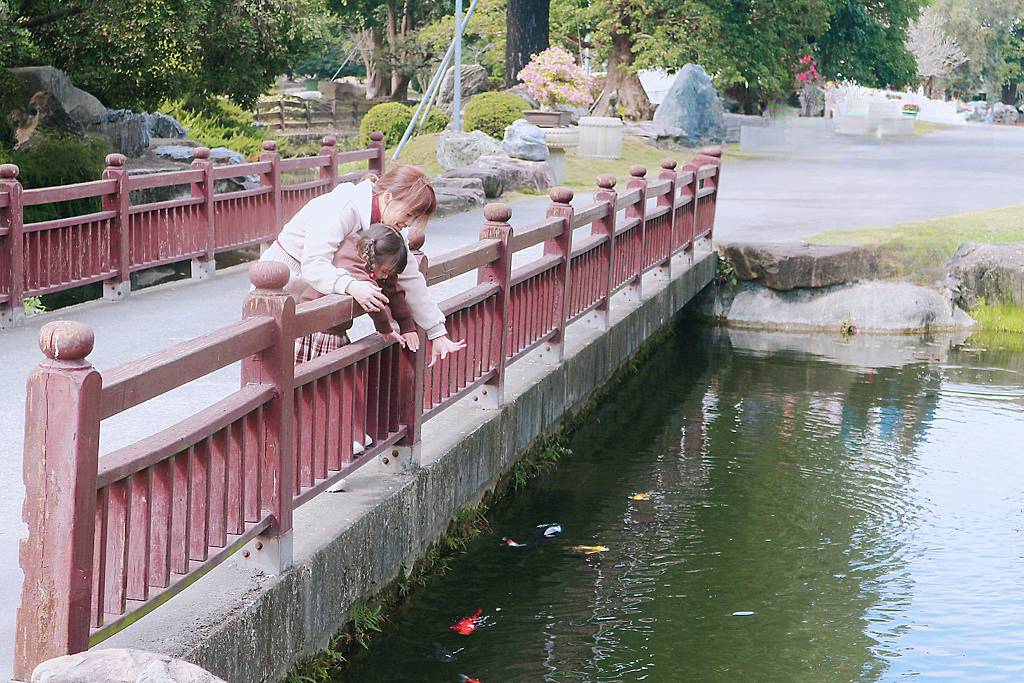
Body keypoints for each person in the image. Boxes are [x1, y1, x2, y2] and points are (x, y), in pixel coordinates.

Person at [259, 164, 465, 365]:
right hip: (280, 283)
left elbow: (410, 278)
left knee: (305, 373)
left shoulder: (389, 227)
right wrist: (351, 285)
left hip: (316, 293)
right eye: (409, 214)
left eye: (415, 217)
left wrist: (436, 332)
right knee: (277, 371)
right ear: (388, 197)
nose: (410, 223)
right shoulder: (343, 207)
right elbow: (313, 264)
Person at [295, 224, 416, 362]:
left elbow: (392, 288)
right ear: (367, 256)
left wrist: (407, 325)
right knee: (321, 372)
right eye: (385, 271)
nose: (385, 277)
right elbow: (373, 299)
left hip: (333, 327)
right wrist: (385, 328)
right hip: (318, 330)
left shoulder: (368, 256)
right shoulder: (350, 261)